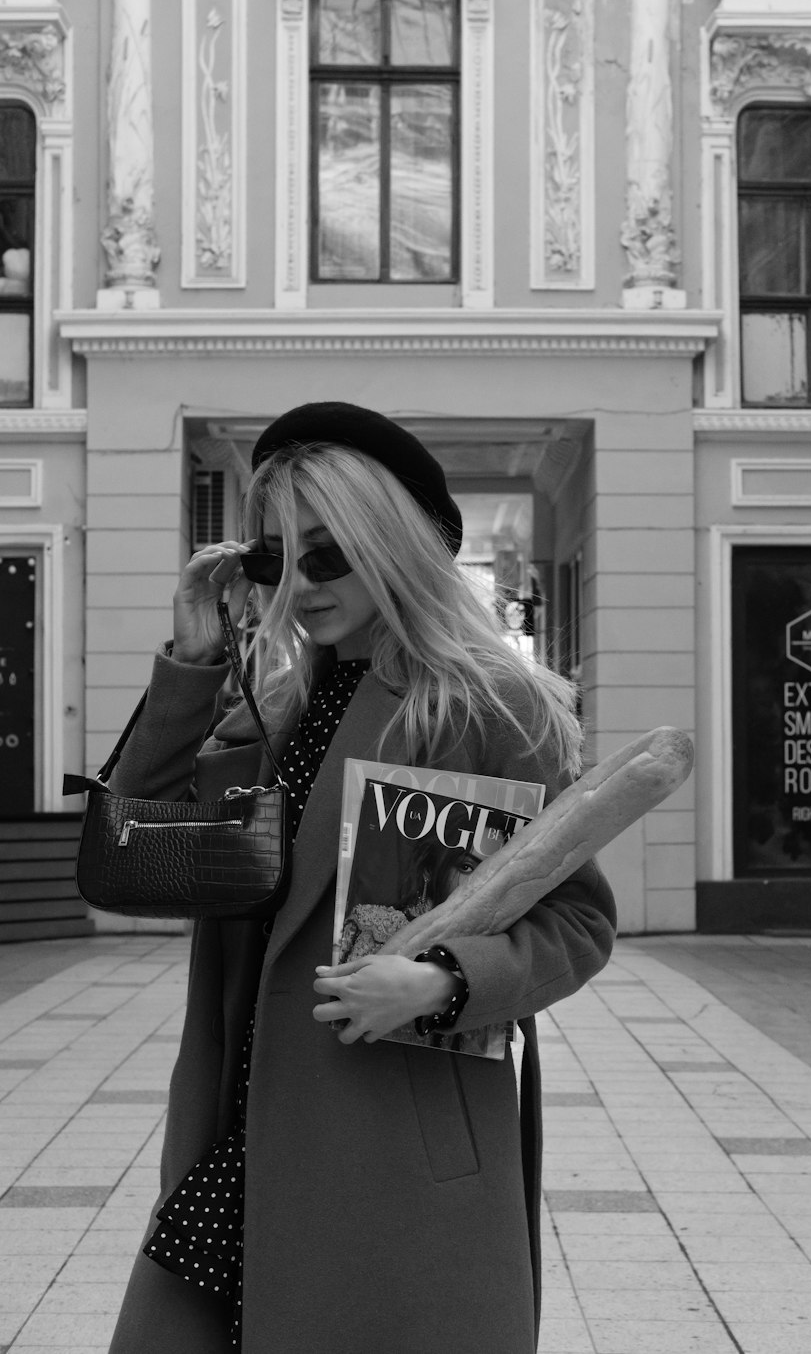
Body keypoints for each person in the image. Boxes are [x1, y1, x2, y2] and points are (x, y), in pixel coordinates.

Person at [107, 401, 617, 1354]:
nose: (299, 585)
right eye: (273, 559)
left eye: (328, 553)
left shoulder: (486, 703)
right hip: (243, 1129)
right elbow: (137, 858)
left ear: (392, 545)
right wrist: (189, 661)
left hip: (389, 1152)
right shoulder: (267, 705)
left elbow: (578, 921)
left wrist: (444, 982)